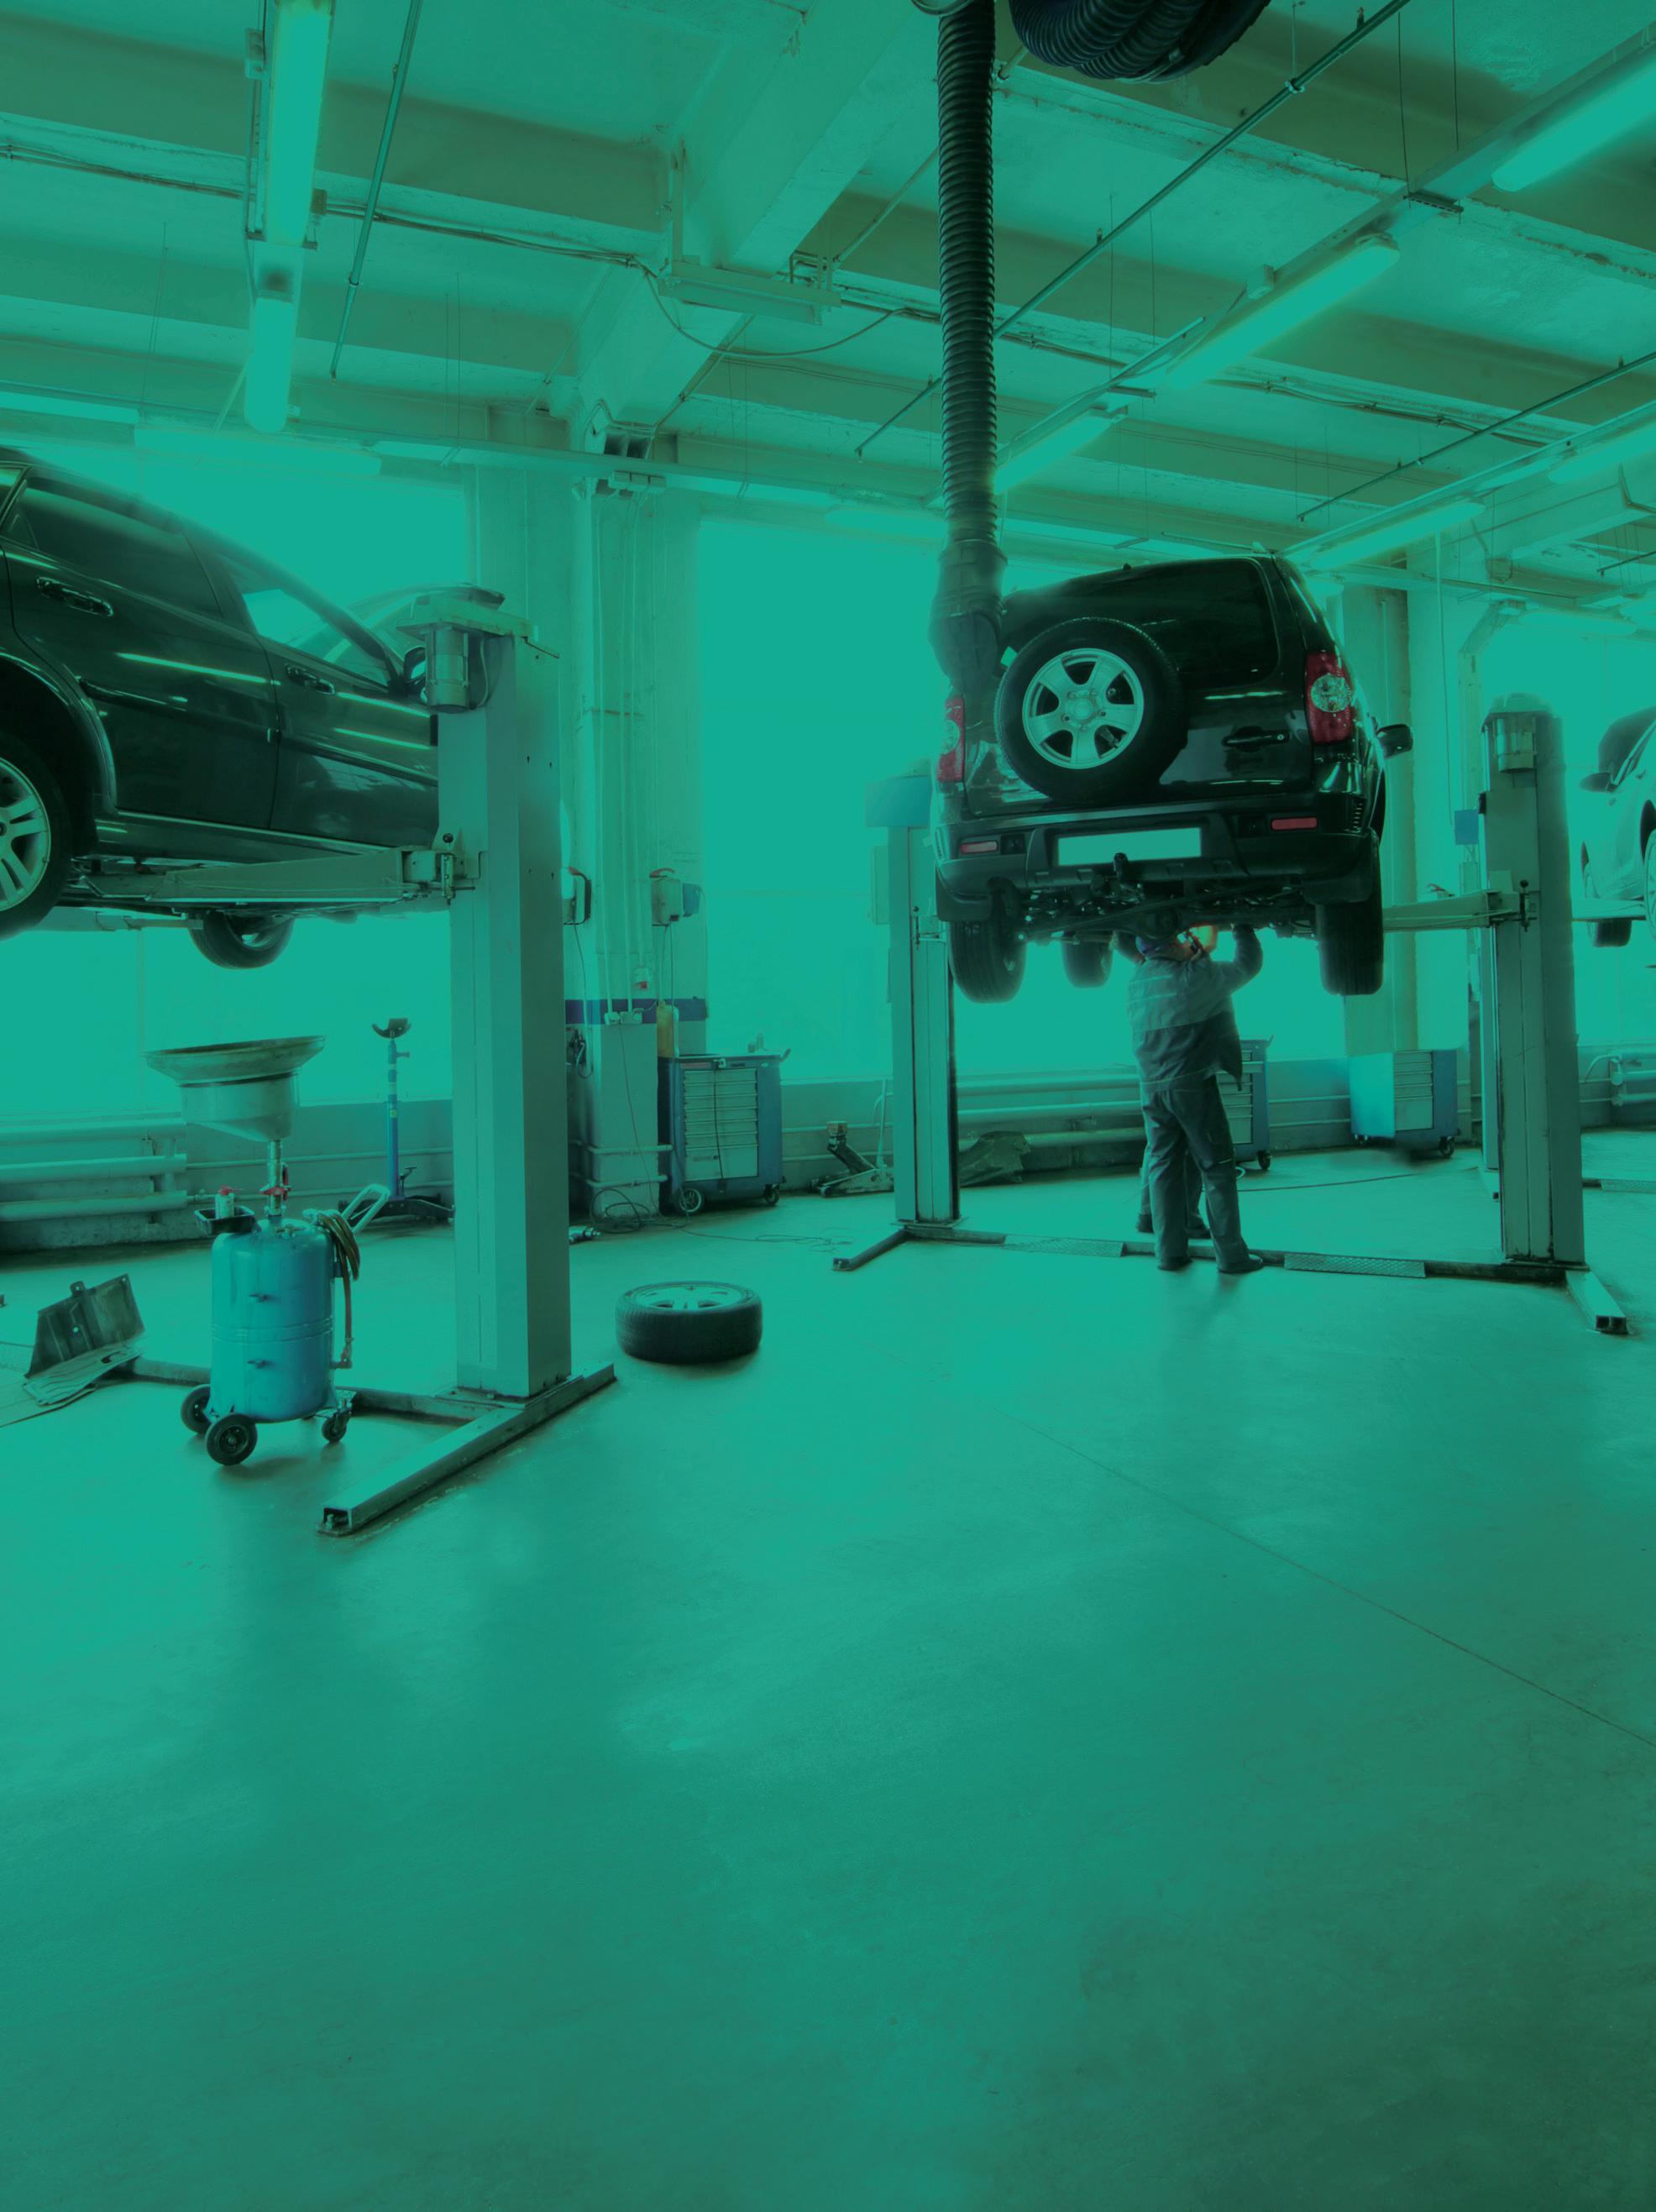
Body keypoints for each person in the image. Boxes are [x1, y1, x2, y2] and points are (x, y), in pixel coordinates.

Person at [1124, 925, 1266, 1275]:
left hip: (1151, 1090)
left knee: (1163, 1166)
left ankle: (1169, 1254)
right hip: (1191, 1087)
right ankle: (1232, 1256)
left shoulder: (1136, 982)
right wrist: (1243, 927)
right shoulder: (1195, 977)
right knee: (1217, 1168)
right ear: (1173, 943)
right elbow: (1248, 965)